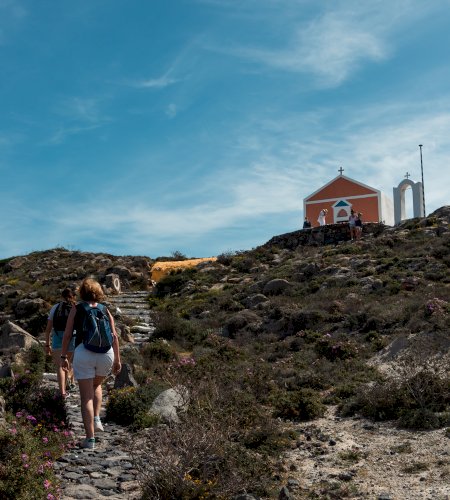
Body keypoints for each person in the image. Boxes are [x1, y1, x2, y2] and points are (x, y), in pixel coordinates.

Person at [60, 278, 121, 450]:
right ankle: (96, 418)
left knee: (86, 396)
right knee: (97, 385)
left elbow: (67, 335)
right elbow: (115, 336)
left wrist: (64, 356)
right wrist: (117, 359)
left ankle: (90, 439)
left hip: (84, 352)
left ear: (82, 292)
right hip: (106, 353)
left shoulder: (77, 308)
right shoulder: (105, 309)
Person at [44, 287, 76, 398]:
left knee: (60, 365)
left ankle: (62, 392)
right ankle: (66, 387)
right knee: (67, 364)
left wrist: (47, 344)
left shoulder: (55, 308)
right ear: (73, 296)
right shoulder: (75, 308)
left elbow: (48, 329)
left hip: (57, 338)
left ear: (61, 296)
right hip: (71, 338)